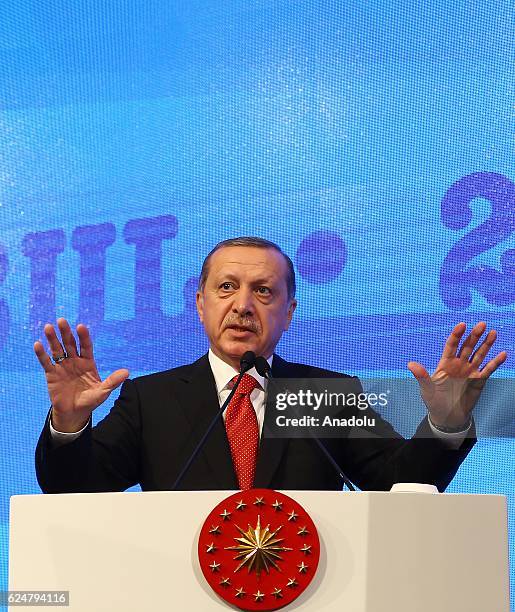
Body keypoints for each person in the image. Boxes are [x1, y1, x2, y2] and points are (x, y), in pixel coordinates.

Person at [34, 237, 507, 493]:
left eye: (263, 291)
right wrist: (70, 425)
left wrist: (446, 423)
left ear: (289, 312)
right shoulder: (151, 399)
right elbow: (76, 490)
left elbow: (401, 488)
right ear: (200, 305)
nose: (242, 306)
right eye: (226, 288)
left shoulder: (325, 396)